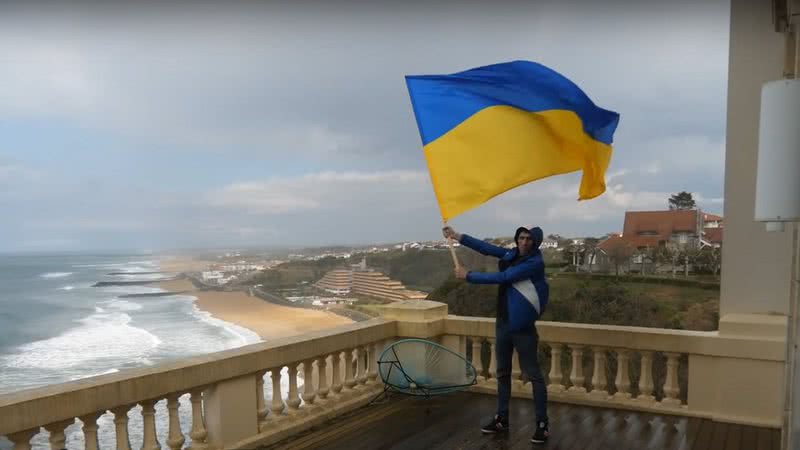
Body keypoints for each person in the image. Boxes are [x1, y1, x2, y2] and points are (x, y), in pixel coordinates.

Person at [442, 225, 550, 444]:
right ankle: (502, 419)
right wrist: (458, 236)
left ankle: (542, 424)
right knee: (502, 373)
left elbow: (504, 277)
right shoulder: (511, 254)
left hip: (523, 328)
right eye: (521, 237)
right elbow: (486, 248)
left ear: (536, 243)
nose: (524, 242)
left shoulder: (534, 263)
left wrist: (468, 275)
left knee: (534, 376)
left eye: (529, 239)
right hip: (503, 324)